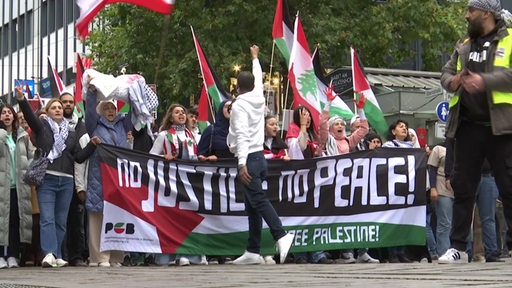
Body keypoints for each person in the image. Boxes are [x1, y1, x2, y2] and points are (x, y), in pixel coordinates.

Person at [438, 0, 512, 264]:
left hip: (501, 127)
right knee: (463, 186)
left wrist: (486, 81)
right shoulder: (464, 42)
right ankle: (458, 248)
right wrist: (453, 81)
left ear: (486, 13)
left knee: (508, 186)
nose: (466, 15)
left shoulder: (509, 38)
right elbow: (445, 73)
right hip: (467, 126)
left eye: (471, 10)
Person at [15, 85, 100, 268]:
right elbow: (30, 117)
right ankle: (49, 254)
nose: (58, 109)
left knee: (61, 220)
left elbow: (77, 157)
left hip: (67, 181)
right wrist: (22, 99)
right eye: (54, 107)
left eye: (60, 107)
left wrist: (92, 145)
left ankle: (59, 255)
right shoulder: (43, 127)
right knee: (47, 218)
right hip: (48, 179)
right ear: (48, 111)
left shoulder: (71, 133)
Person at [226, 45, 293, 265]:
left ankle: (281, 234)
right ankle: (253, 251)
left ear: (237, 86)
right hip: (259, 158)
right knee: (252, 205)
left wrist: (242, 163)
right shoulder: (258, 97)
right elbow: (257, 76)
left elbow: (242, 135)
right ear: (253, 86)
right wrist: (255, 58)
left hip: (249, 159)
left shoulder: (238, 107)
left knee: (259, 201)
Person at [318, 98, 377, 264]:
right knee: (338, 217)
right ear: (330, 128)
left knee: (356, 216)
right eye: (336, 124)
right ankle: (346, 252)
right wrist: (328, 103)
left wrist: (361, 109)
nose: (340, 126)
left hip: (349, 183)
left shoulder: (348, 141)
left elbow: (364, 129)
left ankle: (362, 251)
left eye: (342, 124)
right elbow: (322, 124)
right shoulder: (326, 140)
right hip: (331, 183)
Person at [150, 104, 205, 266]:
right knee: (172, 218)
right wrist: (163, 156)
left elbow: (194, 156)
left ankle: (190, 254)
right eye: (177, 112)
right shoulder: (164, 135)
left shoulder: (192, 135)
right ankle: (170, 256)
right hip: (171, 182)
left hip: (190, 181)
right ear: (171, 117)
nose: (181, 114)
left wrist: (202, 158)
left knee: (189, 218)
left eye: (183, 112)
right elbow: (151, 157)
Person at [85, 89, 130, 268]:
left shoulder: (122, 125)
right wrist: (91, 94)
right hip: (99, 177)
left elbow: (135, 112)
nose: (110, 111)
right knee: (97, 217)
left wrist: (131, 92)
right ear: (101, 112)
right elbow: (89, 111)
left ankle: (116, 257)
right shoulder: (94, 126)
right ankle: (99, 257)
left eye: (112, 108)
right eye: (106, 108)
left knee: (117, 216)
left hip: (119, 177)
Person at [0, 105, 34, 268]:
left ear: (14, 117)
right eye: (3, 113)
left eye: (9, 113)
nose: (7, 115)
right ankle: (1, 255)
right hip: (2, 186)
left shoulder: (21, 136)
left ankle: (13, 254)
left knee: (14, 221)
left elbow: (30, 156)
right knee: (1, 222)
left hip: (18, 187)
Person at [60, 91, 90, 267]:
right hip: (60, 177)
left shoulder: (81, 126)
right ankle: (61, 255)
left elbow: (82, 156)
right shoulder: (53, 125)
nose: (68, 105)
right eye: (64, 102)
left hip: (77, 180)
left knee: (77, 221)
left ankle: (77, 256)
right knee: (60, 220)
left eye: (71, 102)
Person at [382, 120, 414, 263]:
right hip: (391, 188)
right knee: (393, 221)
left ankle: (402, 252)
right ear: (393, 131)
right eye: (400, 126)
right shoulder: (388, 146)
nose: (404, 129)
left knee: (404, 221)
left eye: (406, 127)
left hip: (406, 188)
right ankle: (392, 253)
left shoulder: (411, 147)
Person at [428, 142, 452, 258]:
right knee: (445, 222)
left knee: (459, 222)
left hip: (459, 188)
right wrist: (433, 188)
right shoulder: (438, 148)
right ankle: (443, 252)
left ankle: (462, 252)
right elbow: (431, 169)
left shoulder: (463, 148)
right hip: (442, 187)